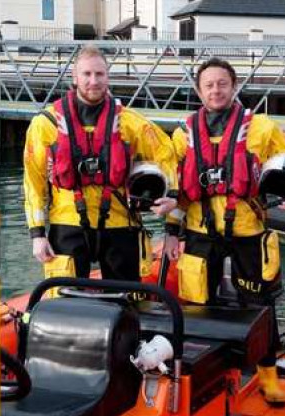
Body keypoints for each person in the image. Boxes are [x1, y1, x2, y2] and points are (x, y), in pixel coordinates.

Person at [163, 57, 285, 406]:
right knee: (198, 303)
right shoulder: (182, 135)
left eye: (222, 83)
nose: (216, 90)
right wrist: (172, 231)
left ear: (234, 87)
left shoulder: (260, 127)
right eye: (209, 84)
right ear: (199, 91)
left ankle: (268, 375)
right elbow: (177, 189)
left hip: (248, 230)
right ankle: (206, 373)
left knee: (259, 305)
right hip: (200, 230)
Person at [23, 45, 176, 282]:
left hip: (119, 223)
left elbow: (168, 155)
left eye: (99, 74)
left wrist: (172, 195)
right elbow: (33, 183)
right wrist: (37, 234)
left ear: (108, 77)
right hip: (68, 223)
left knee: (125, 303)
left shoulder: (131, 123)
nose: (93, 81)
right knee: (66, 308)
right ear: (74, 77)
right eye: (86, 74)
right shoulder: (45, 125)